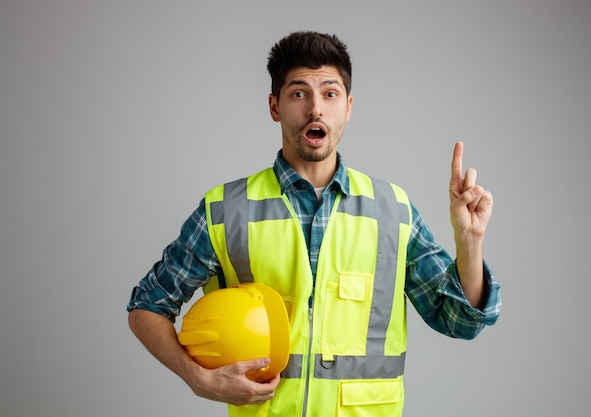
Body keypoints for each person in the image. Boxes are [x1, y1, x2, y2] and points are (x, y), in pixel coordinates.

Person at [127, 31, 501, 417]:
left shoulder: (393, 211)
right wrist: (198, 379)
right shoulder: (225, 210)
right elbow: (146, 306)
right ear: (275, 106)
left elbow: (459, 320)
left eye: (330, 93)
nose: (316, 109)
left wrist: (470, 242)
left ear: (349, 106)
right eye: (299, 93)